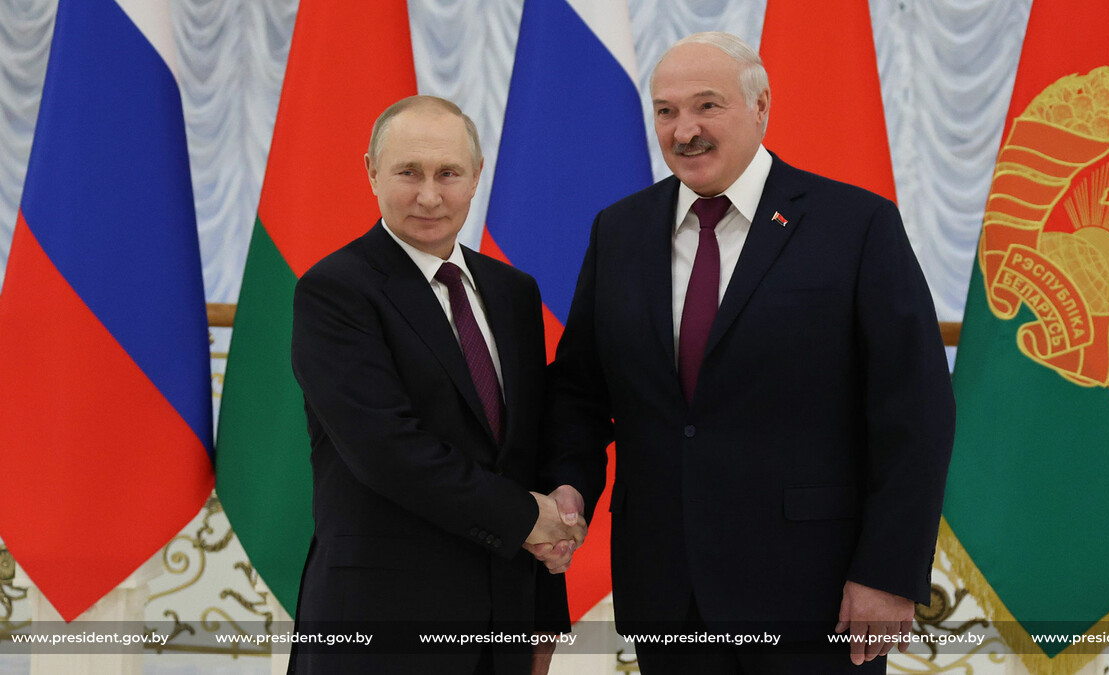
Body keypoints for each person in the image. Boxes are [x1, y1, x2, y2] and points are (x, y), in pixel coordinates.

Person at [543, 32, 956, 673]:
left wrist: (888, 572)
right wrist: (570, 485)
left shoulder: (855, 225)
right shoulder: (619, 229)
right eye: (666, 111)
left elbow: (915, 410)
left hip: (814, 594)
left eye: (707, 106)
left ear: (761, 106)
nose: (684, 131)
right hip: (666, 592)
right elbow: (580, 391)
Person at [288, 95, 583, 675]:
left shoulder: (513, 292)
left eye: (448, 173)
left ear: (476, 176)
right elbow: (387, 450)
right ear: (372, 172)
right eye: (408, 172)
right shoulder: (335, 290)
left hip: (505, 626)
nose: (429, 196)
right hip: (381, 627)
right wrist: (528, 518)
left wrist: (545, 616)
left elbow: (524, 451)